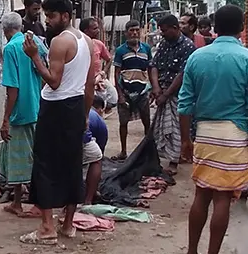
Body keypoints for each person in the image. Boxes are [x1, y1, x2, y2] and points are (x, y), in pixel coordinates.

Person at [177, 4, 248, 254]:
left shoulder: (197, 57)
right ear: (241, 28)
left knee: (201, 194)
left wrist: (185, 141)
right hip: (234, 135)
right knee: (223, 198)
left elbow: (184, 104)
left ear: (215, 27)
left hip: (204, 132)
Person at [20, 0, 94, 245]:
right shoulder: (87, 41)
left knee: (45, 164)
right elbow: (90, 83)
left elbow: (53, 81)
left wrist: (33, 56)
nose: (47, 21)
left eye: (50, 16)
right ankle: (68, 224)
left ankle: (47, 227)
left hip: (55, 107)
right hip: (74, 107)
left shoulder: (60, 42)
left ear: (65, 16)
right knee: (72, 162)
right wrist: (85, 115)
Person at [0, 11, 42, 217]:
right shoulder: (37, 43)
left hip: (21, 111)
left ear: (5, 30)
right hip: (40, 106)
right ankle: (24, 201)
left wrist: (5, 118)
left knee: (18, 157)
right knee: (37, 155)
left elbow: (12, 89)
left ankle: (20, 202)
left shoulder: (11, 48)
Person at [149, 13, 195, 174]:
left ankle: (174, 161)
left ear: (175, 29)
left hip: (178, 95)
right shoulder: (163, 44)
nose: (162, 33)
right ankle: (161, 157)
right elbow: (154, 65)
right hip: (161, 91)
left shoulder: (188, 46)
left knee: (175, 128)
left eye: (165, 30)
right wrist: (155, 88)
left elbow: (182, 74)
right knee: (160, 128)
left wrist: (166, 94)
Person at [112, 20, 152, 160]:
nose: (134, 33)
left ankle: (147, 151)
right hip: (126, 91)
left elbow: (150, 69)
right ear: (126, 33)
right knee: (123, 123)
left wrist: (152, 88)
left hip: (142, 91)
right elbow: (117, 73)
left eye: (136, 30)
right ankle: (123, 151)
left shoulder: (146, 49)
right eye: (131, 30)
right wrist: (120, 95)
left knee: (147, 121)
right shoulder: (120, 51)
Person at [80, 17, 116, 112]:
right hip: (84, 81)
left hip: (98, 78)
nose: (98, 31)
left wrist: (103, 72)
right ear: (86, 31)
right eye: (95, 28)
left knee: (113, 98)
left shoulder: (98, 44)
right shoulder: (78, 45)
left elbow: (109, 59)